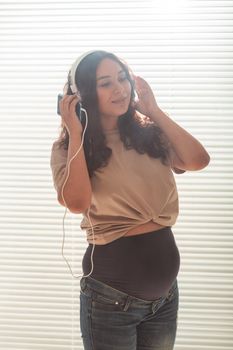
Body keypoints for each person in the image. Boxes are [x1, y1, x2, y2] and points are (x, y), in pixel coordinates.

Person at [50, 50, 210, 350]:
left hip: (164, 300)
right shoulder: (69, 149)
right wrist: (75, 131)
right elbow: (77, 203)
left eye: (123, 78)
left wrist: (156, 112)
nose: (120, 88)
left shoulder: (150, 134)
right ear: (81, 94)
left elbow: (198, 160)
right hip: (110, 302)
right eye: (105, 83)